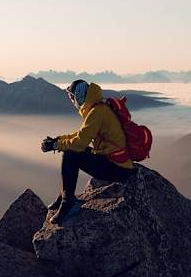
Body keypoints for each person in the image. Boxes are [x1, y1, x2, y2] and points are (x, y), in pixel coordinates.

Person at [41, 79, 136, 224]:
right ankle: (63, 195)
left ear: (79, 96)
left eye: (72, 97)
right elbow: (81, 135)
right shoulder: (99, 108)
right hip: (118, 163)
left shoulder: (96, 112)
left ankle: (68, 202)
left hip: (118, 169)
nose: (72, 101)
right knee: (70, 150)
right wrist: (57, 140)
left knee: (71, 154)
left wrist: (56, 145)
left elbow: (79, 143)